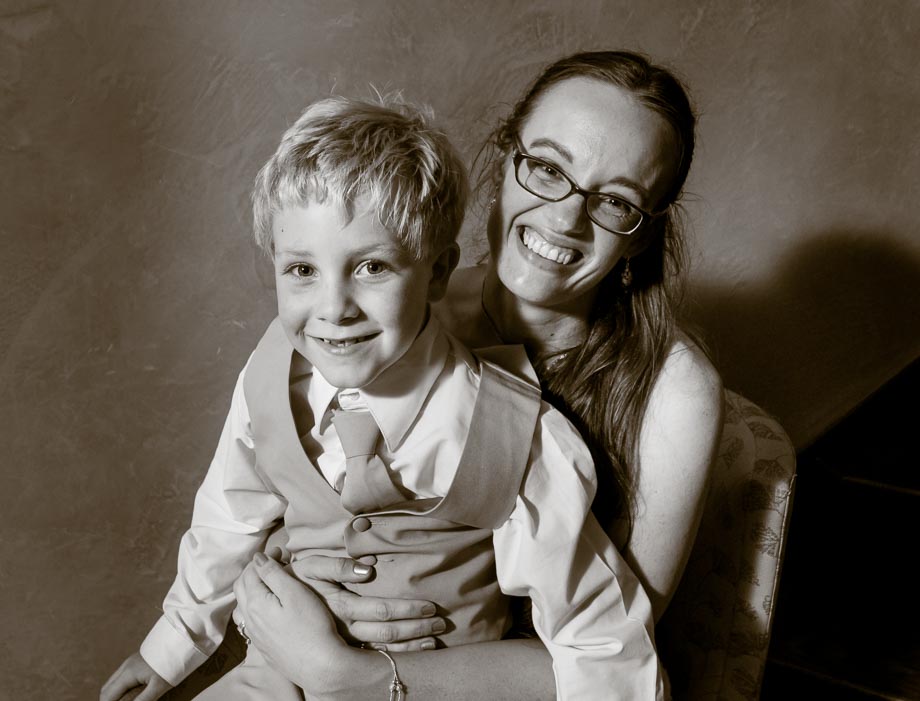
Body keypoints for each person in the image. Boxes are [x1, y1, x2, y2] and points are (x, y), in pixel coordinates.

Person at [101, 94, 667, 701]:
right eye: (301, 270)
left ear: (439, 272)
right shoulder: (270, 372)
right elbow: (228, 516)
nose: (333, 309)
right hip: (275, 679)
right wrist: (171, 647)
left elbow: (604, 646)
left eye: (372, 267)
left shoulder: (514, 435)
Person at [227, 50, 724, 700]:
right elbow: (279, 500)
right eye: (547, 168)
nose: (566, 218)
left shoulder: (677, 393)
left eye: (615, 202)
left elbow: (607, 654)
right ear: (505, 159)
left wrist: (356, 674)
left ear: (640, 235)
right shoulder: (405, 314)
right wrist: (285, 596)